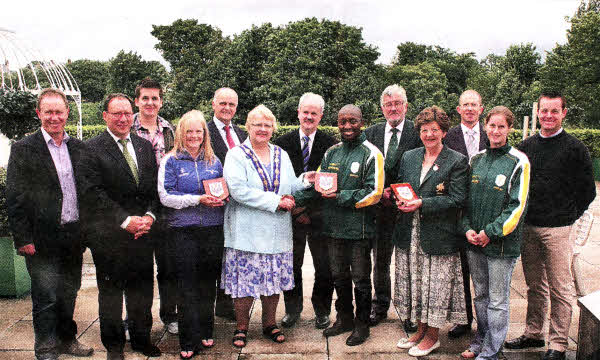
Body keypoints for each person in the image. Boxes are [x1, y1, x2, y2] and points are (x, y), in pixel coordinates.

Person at [505, 93, 596, 360]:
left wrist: (567, 215)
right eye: (544, 111)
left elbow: (587, 191)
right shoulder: (526, 147)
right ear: (538, 113)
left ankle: (558, 343)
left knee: (560, 286)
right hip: (529, 226)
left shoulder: (576, 148)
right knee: (535, 285)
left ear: (564, 113)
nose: (548, 116)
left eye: (554, 111)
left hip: (558, 229)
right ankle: (533, 333)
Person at [6, 88, 93, 360]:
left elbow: (87, 192)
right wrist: (23, 239)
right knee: (45, 297)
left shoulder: (78, 148)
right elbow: (15, 197)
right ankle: (45, 346)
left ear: (67, 113)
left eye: (59, 112)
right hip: (41, 238)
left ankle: (68, 340)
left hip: (72, 235)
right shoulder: (23, 149)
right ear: (39, 113)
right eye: (48, 112)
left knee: (69, 293)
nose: (54, 117)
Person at [221, 104, 314, 348]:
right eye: (257, 125)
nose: (262, 129)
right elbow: (238, 191)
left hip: (276, 230)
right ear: (248, 127)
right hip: (246, 229)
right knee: (244, 284)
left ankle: (269, 324)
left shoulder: (280, 154)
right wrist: (276, 201)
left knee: (272, 281)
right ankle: (241, 327)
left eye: (267, 125)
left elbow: (290, 185)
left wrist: (306, 180)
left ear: (273, 128)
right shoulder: (236, 154)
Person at [79, 93, 161, 360]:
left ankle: (141, 339)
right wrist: (125, 221)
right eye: (117, 114)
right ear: (105, 116)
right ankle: (114, 346)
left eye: (127, 113)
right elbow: (93, 194)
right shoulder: (90, 149)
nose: (124, 119)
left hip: (142, 235)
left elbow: (152, 188)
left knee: (142, 292)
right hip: (110, 236)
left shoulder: (144, 146)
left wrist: (149, 216)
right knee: (111, 295)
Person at [296, 104, 384, 346]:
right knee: (339, 277)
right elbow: (319, 187)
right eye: (342, 121)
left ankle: (362, 325)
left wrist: (341, 196)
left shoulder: (371, 153)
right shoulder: (332, 152)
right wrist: (293, 200)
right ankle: (344, 318)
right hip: (333, 229)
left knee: (361, 280)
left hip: (359, 230)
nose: (347, 126)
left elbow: (374, 193)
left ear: (361, 122)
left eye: (352, 121)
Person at [393, 106, 469, 357]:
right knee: (417, 285)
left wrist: (423, 203)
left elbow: (458, 199)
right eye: (424, 130)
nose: (429, 135)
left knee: (435, 287)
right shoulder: (410, 156)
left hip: (439, 235)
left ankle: (433, 337)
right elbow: (404, 187)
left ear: (444, 132)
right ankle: (420, 331)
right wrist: (400, 200)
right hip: (411, 232)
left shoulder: (456, 160)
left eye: (434, 130)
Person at [460, 106, 530, 360]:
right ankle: (480, 341)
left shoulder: (518, 161)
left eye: (502, 126)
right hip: (474, 242)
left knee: (497, 300)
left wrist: (490, 232)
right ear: (485, 127)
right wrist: (467, 228)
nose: (496, 131)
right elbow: (465, 201)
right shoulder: (476, 159)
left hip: (501, 245)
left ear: (509, 129)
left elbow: (517, 206)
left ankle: (491, 350)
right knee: (480, 295)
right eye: (492, 126)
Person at [158, 110, 225, 359]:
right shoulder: (171, 161)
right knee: (186, 286)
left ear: (205, 134)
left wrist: (221, 199)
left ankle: (206, 330)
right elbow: (166, 197)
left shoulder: (214, 161)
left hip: (211, 229)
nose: (194, 136)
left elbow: (221, 191)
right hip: (182, 231)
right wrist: (198, 199)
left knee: (208, 283)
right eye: (189, 131)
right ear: (181, 134)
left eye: (199, 131)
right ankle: (188, 339)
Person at [273, 92, 337, 330]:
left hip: (321, 216)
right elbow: (279, 181)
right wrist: (297, 209)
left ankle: (322, 311)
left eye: (314, 113)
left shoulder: (331, 144)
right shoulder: (282, 144)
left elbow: (333, 180)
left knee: (325, 265)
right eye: (305, 112)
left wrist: (310, 209)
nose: (309, 117)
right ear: (298, 113)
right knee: (291, 264)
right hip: (292, 216)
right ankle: (292, 310)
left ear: (321, 116)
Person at [364, 84, 421, 332]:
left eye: (398, 103)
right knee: (381, 262)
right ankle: (380, 306)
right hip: (380, 209)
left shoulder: (418, 131)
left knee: (410, 262)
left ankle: (410, 311)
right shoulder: (371, 133)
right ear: (382, 108)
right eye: (388, 104)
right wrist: (380, 192)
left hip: (410, 208)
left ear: (406, 106)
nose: (393, 108)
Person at [131, 78, 178, 335]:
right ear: (137, 100)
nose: (150, 103)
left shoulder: (170, 130)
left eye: (155, 98)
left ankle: (170, 315)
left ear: (161, 101)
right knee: (138, 269)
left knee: (169, 267)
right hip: (139, 208)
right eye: (145, 98)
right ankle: (136, 320)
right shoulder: (128, 127)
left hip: (167, 209)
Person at [443, 89, 489, 338]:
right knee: (460, 271)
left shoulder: (493, 133)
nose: (470, 108)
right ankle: (463, 319)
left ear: (481, 109)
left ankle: (487, 323)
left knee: (484, 272)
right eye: (465, 105)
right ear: (458, 110)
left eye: (474, 104)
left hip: (484, 212)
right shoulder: (448, 137)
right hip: (456, 213)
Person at [207, 87, 247, 320]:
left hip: (238, 206)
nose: (227, 108)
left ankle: (225, 303)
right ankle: (210, 306)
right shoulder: (204, 131)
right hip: (213, 203)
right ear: (213, 104)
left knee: (231, 255)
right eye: (223, 103)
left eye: (232, 104)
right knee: (214, 256)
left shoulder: (241, 133)